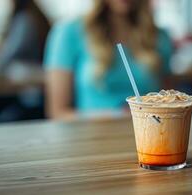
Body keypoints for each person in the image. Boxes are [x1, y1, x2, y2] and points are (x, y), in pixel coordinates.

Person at [44, 0, 173, 120]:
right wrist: (116, 116)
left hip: (148, 137)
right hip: (91, 138)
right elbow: (57, 112)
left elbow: (169, 104)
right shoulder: (69, 32)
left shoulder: (160, 38)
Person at [0, 0, 50, 69]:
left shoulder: (24, 20)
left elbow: (12, 53)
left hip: (28, 70)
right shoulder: (32, 16)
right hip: (34, 68)